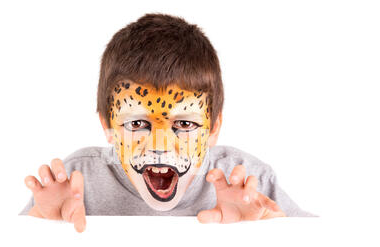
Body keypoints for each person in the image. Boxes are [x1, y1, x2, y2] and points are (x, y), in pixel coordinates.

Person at [20, 13, 315, 232]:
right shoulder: (75, 182)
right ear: (107, 126)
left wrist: (278, 233)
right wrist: (38, 232)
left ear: (213, 128)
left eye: (184, 126)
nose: (160, 146)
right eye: (137, 125)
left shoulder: (249, 182)